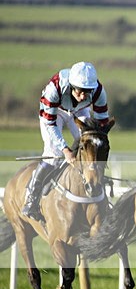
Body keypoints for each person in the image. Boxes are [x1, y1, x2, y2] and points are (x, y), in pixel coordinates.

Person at [22, 61, 110, 222]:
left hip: (79, 111)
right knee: (53, 154)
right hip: (54, 114)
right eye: (80, 91)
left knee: (88, 144)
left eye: (87, 92)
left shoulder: (98, 91)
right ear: (71, 85)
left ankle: (93, 186)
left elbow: (102, 123)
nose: (83, 95)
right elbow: (51, 124)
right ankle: (31, 198)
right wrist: (65, 150)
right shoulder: (54, 88)